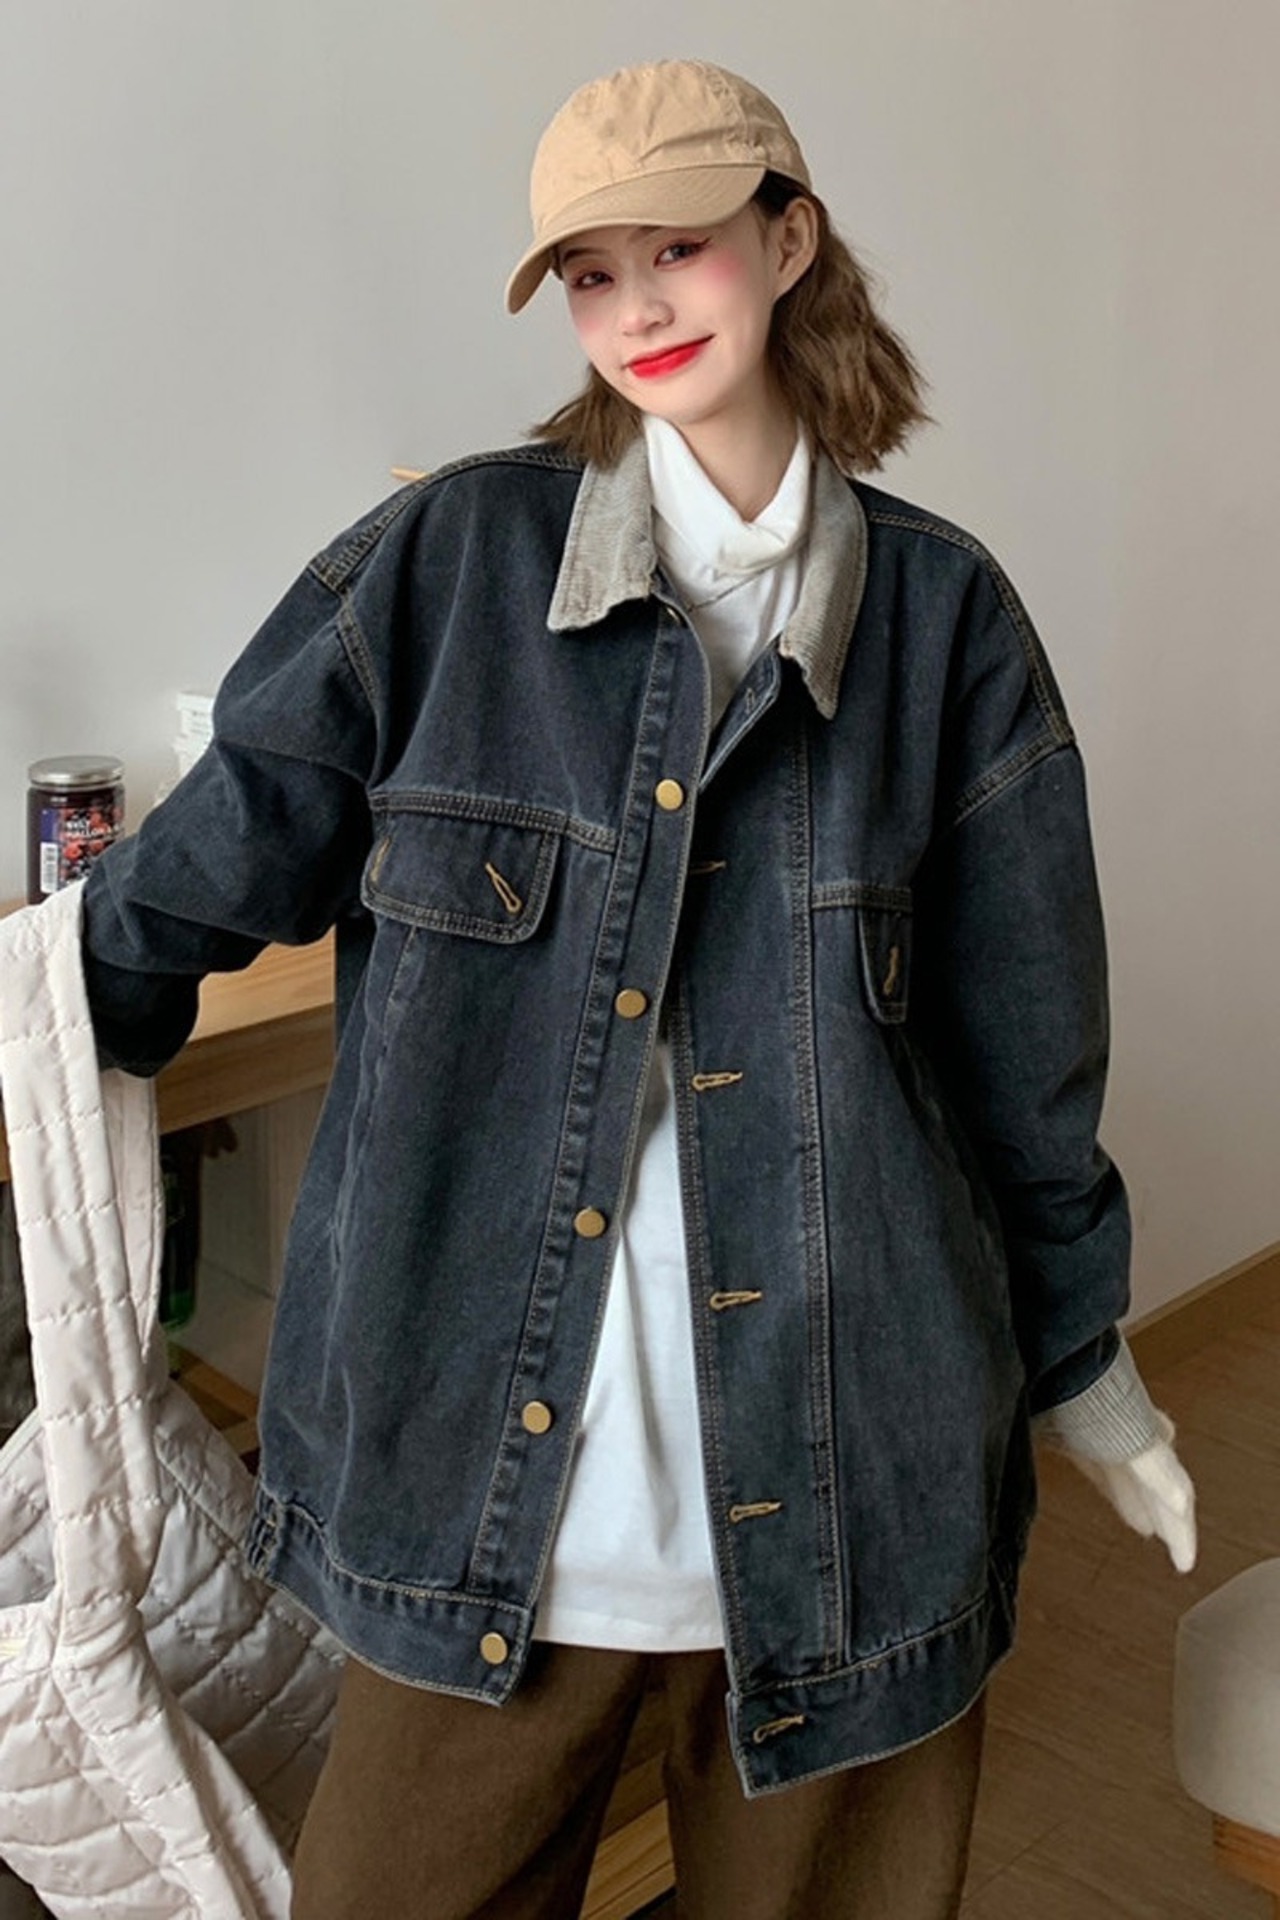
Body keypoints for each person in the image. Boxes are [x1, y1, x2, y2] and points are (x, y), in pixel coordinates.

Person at [76, 58, 1196, 1920]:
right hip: (483, 1492)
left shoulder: (949, 624)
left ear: (791, 240)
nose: (639, 308)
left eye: (678, 248)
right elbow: (202, 866)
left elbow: (1028, 1058)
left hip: (860, 1480)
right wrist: (58, 1015)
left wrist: (1089, 1368)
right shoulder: (448, 564)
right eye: (592, 275)